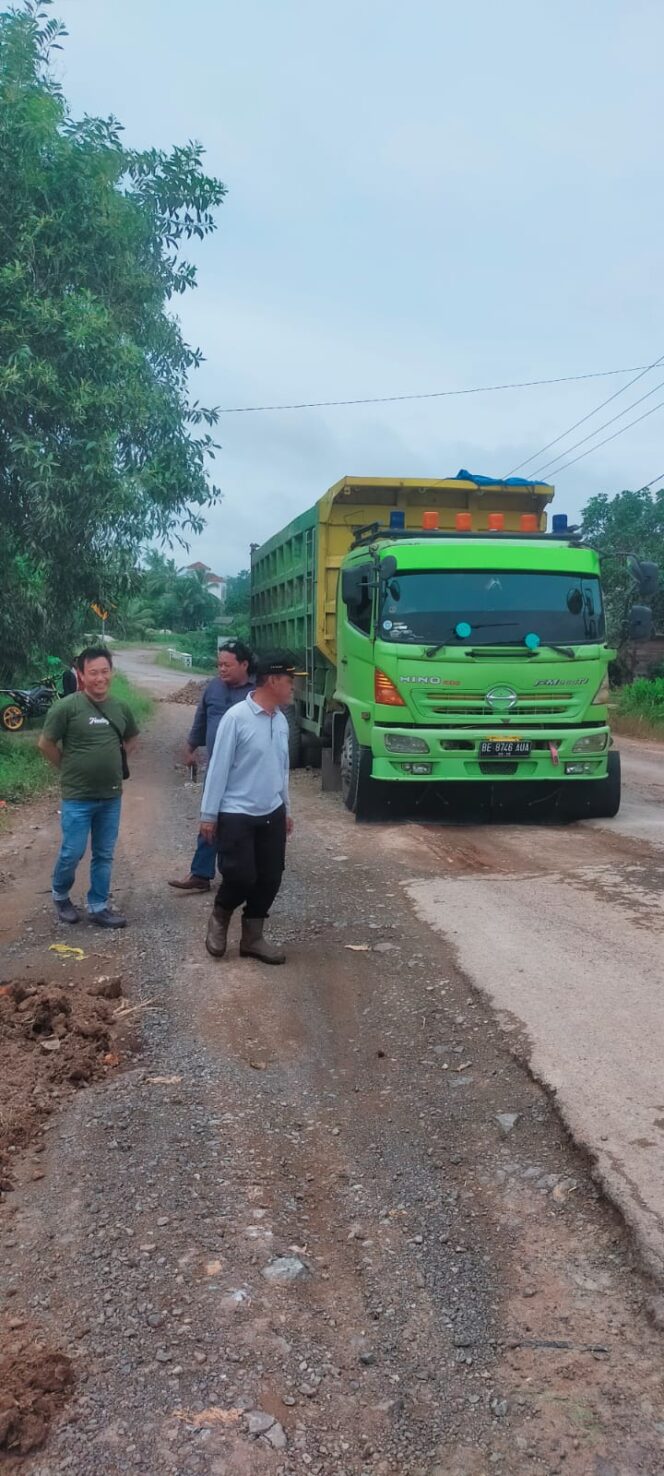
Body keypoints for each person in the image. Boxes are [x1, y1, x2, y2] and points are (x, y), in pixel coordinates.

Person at [199, 650, 301, 965]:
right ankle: (219, 917)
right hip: (236, 812)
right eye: (290, 682)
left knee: (271, 877)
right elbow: (218, 768)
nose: (293, 689)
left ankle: (252, 938)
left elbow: (280, 768)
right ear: (272, 681)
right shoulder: (237, 718)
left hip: (271, 812)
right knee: (241, 875)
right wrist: (208, 814)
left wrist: (285, 808)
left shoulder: (281, 721)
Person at [38, 647, 140, 929]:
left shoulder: (120, 708)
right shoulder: (66, 707)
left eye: (104, 671)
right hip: (77, 797)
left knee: (104, 853)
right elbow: (45, 744)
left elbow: (132, 738)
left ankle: (98, 906)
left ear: (112, 673)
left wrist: (118, 763)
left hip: (111, 796)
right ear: (81, 675)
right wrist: (67, 768)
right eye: (93, 672)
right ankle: (60, 895)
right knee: (72, 851)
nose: (99, 678)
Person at [168, 640, 254, 891]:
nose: (222, 669)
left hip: (245, 773)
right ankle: (201, 874)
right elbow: (201, 719)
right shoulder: (212, 688)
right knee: (209, 819)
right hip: (216, 769)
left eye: (227, 665)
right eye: (219, 665)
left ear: (244, 664)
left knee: (242, 823)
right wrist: (190, 748)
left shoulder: (256, 692)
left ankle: (241, 875)